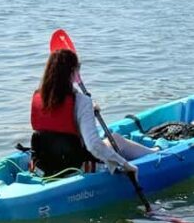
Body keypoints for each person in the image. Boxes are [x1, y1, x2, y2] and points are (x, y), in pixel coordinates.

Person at [30, 49, 155, 177]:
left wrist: (88, 109)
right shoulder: (82, 102)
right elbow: (93, 145)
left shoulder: (40, 96)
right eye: (78, 67)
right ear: (72, 71)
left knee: (111, 139)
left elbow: (57, 126)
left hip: (43, 166)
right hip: (74, 167)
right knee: (117, 140)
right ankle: (155, 155)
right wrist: (124, 164)